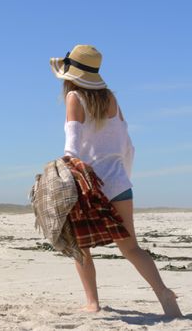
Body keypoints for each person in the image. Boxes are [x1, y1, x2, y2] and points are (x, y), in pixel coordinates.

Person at [50, 45, 182, 317]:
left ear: (70, 76)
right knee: (131, 247)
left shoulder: (74, 97)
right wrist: (122, 178)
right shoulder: (111, 99)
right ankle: (163, 293)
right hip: (120, 183)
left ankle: (92, 303)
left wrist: (61, 172)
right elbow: (127, 146)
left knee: (80, 248)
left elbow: (72, 148)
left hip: (88, 187)